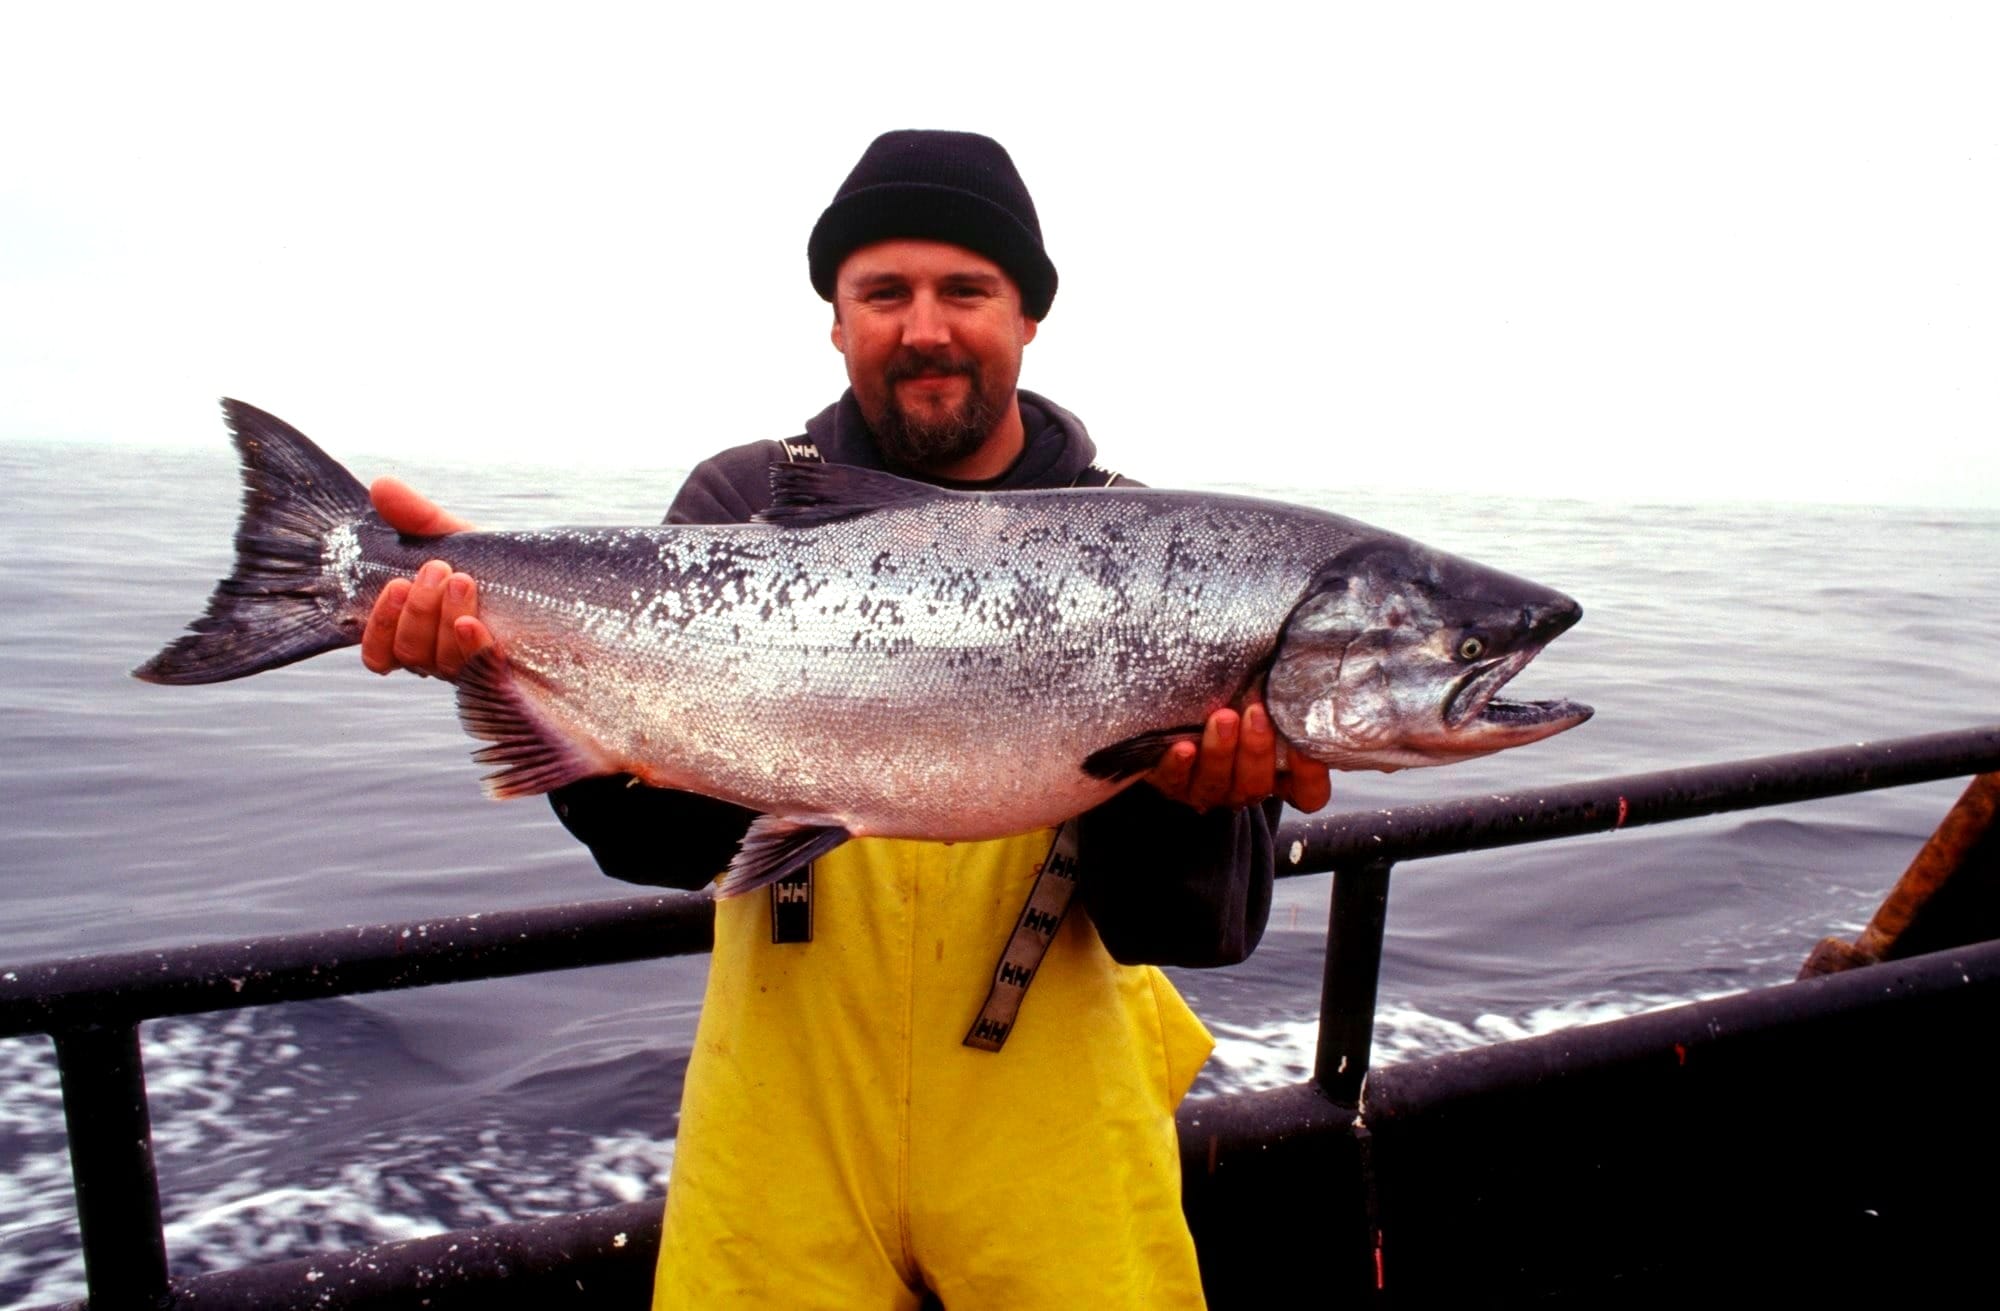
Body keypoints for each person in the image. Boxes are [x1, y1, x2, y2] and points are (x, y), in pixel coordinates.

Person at [359, 130, 1331, 1309]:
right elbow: (650, 845)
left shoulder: (1164, 556)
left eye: (965, 288)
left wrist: (1189, 803)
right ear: (835, 319)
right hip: (787, 1111)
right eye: (884, 293)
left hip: (1054, 1122)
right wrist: (491, 651)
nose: (924, 326)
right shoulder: (742, 506)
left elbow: (1199, 931)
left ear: (1028, 318)